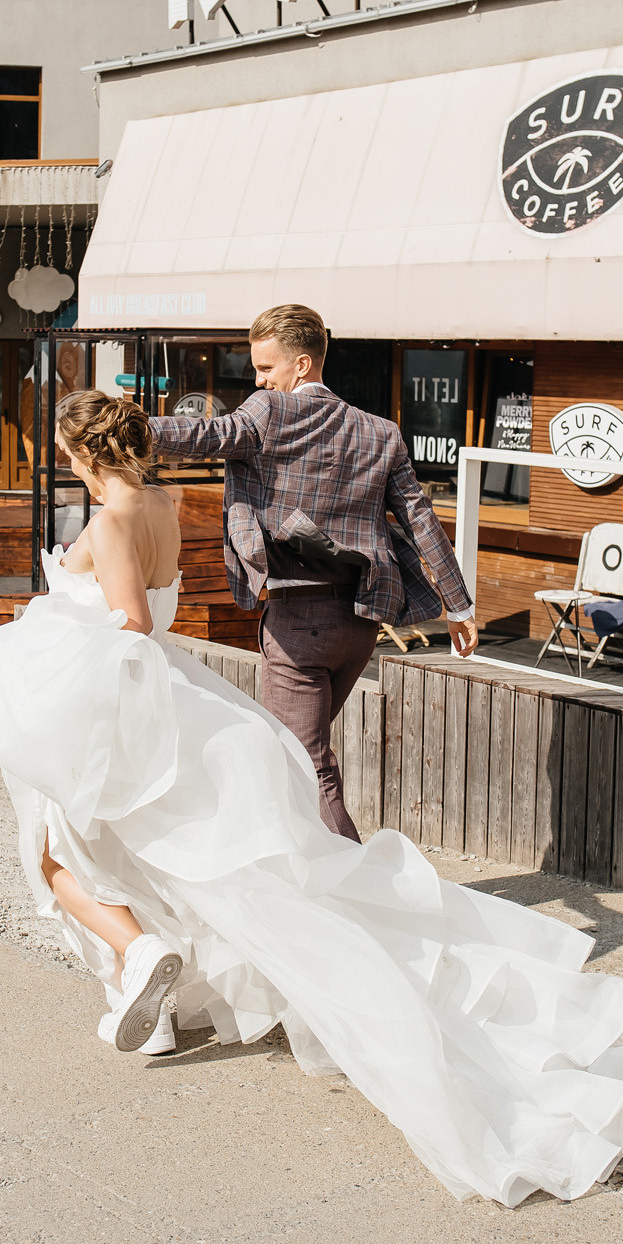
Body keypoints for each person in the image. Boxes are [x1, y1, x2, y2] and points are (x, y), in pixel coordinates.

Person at [0, 390, 623, 1209]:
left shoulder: (111, 523)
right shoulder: (163, 501)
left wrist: (35, 654)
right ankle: (148, 1005)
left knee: (58, 859)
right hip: (180, 699)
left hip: (122, 717)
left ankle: (142, 958)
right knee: (156, 861)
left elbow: (130, 624)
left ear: (81, 456)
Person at [146, 304, 476, 842]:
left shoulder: (269, 412)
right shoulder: (382, 432)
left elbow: (205, 435)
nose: (258, 379)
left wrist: (121, 429)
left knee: (305, 765)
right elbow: (422, 520)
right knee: (296, 757)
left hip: (301, 622)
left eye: (266, 368)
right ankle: (298, 879)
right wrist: (459, 607)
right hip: (361, 623)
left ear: (302, 365)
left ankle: (363, 893)